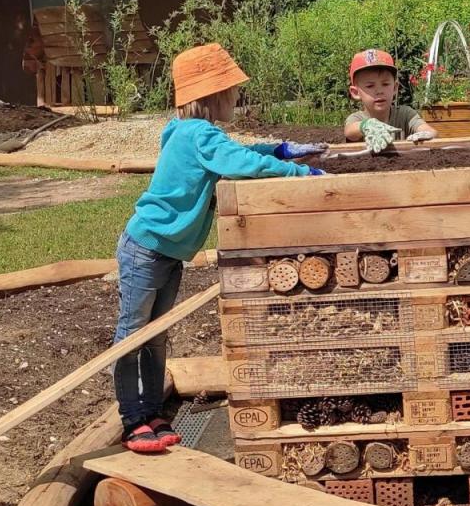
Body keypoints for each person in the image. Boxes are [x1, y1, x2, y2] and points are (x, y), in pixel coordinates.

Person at [114, 43, 325, 453]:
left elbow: (238, 154)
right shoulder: (198, 133)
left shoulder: (191, 133)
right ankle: (132, 420)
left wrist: (278, 148)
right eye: (231, 90)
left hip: (166, 252)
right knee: (132, 336)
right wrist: (298, 170)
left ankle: (153, 411)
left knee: (156, 337)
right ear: (212, 94)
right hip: (146, 250)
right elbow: (244, 165)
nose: (237, 97)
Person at [344, 49, 437, 152]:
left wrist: (427, 134)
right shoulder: (357, 118)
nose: (379, 91)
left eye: (385, 84)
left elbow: (428, 130)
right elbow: (349, 131)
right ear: (355, 93)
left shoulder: (405, 115)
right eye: (370, 86)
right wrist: (366, 125)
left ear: (395, 88)